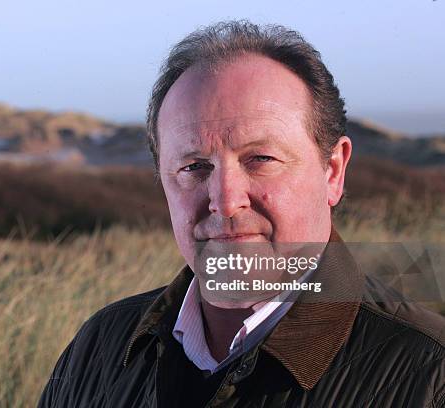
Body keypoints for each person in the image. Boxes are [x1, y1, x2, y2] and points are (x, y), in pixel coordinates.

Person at [38, 20, 444, 407]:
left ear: (333, 172)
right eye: (194, 166)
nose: (226, 200)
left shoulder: (431, 376)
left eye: (261, 158)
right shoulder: (101, 346)